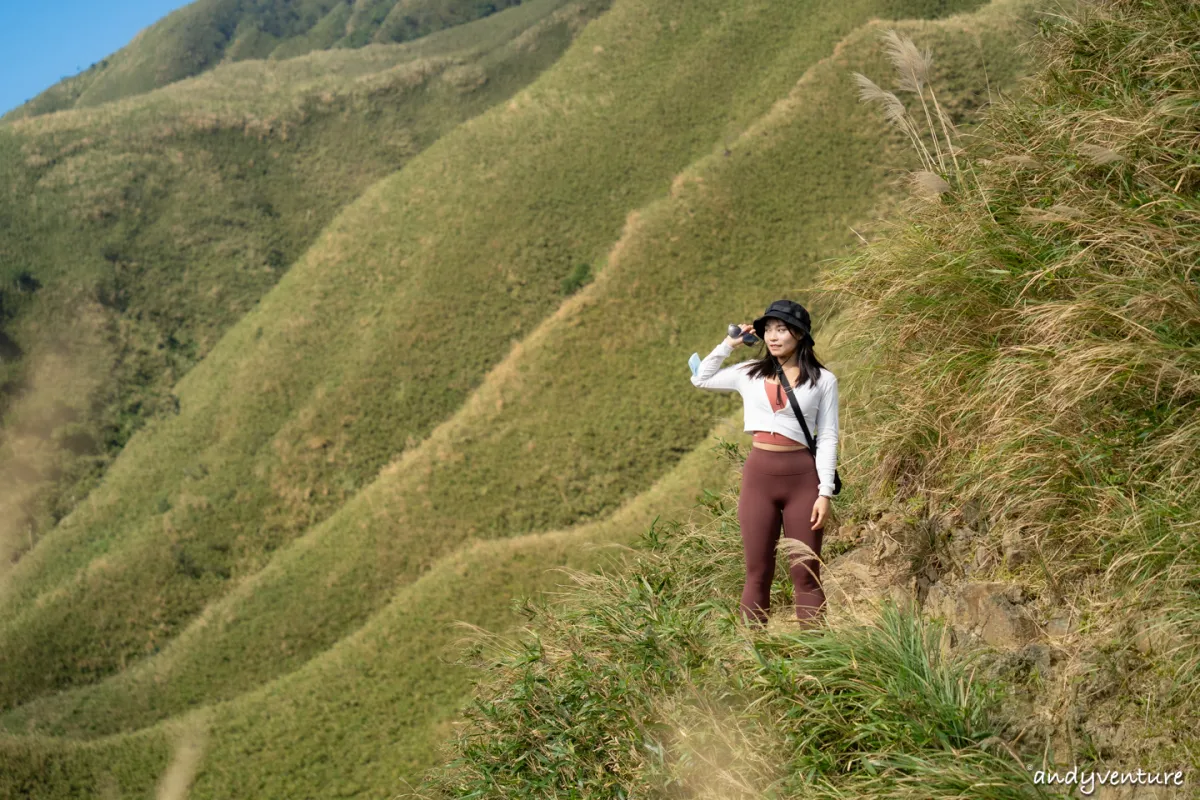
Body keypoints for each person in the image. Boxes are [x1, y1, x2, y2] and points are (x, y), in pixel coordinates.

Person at [690, 299, 839, 629]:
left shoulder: (824, 380)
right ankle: (752, 655)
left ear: (799, 335)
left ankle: (818, 659)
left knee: (806, 572)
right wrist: (730, 343)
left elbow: (828, 437)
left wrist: (824, 492)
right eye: (768, 329)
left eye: (781, 329)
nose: (772, 336)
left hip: (803, 480)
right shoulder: (749, 373)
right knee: (758, 571)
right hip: (759, 478)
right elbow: (700, 378)